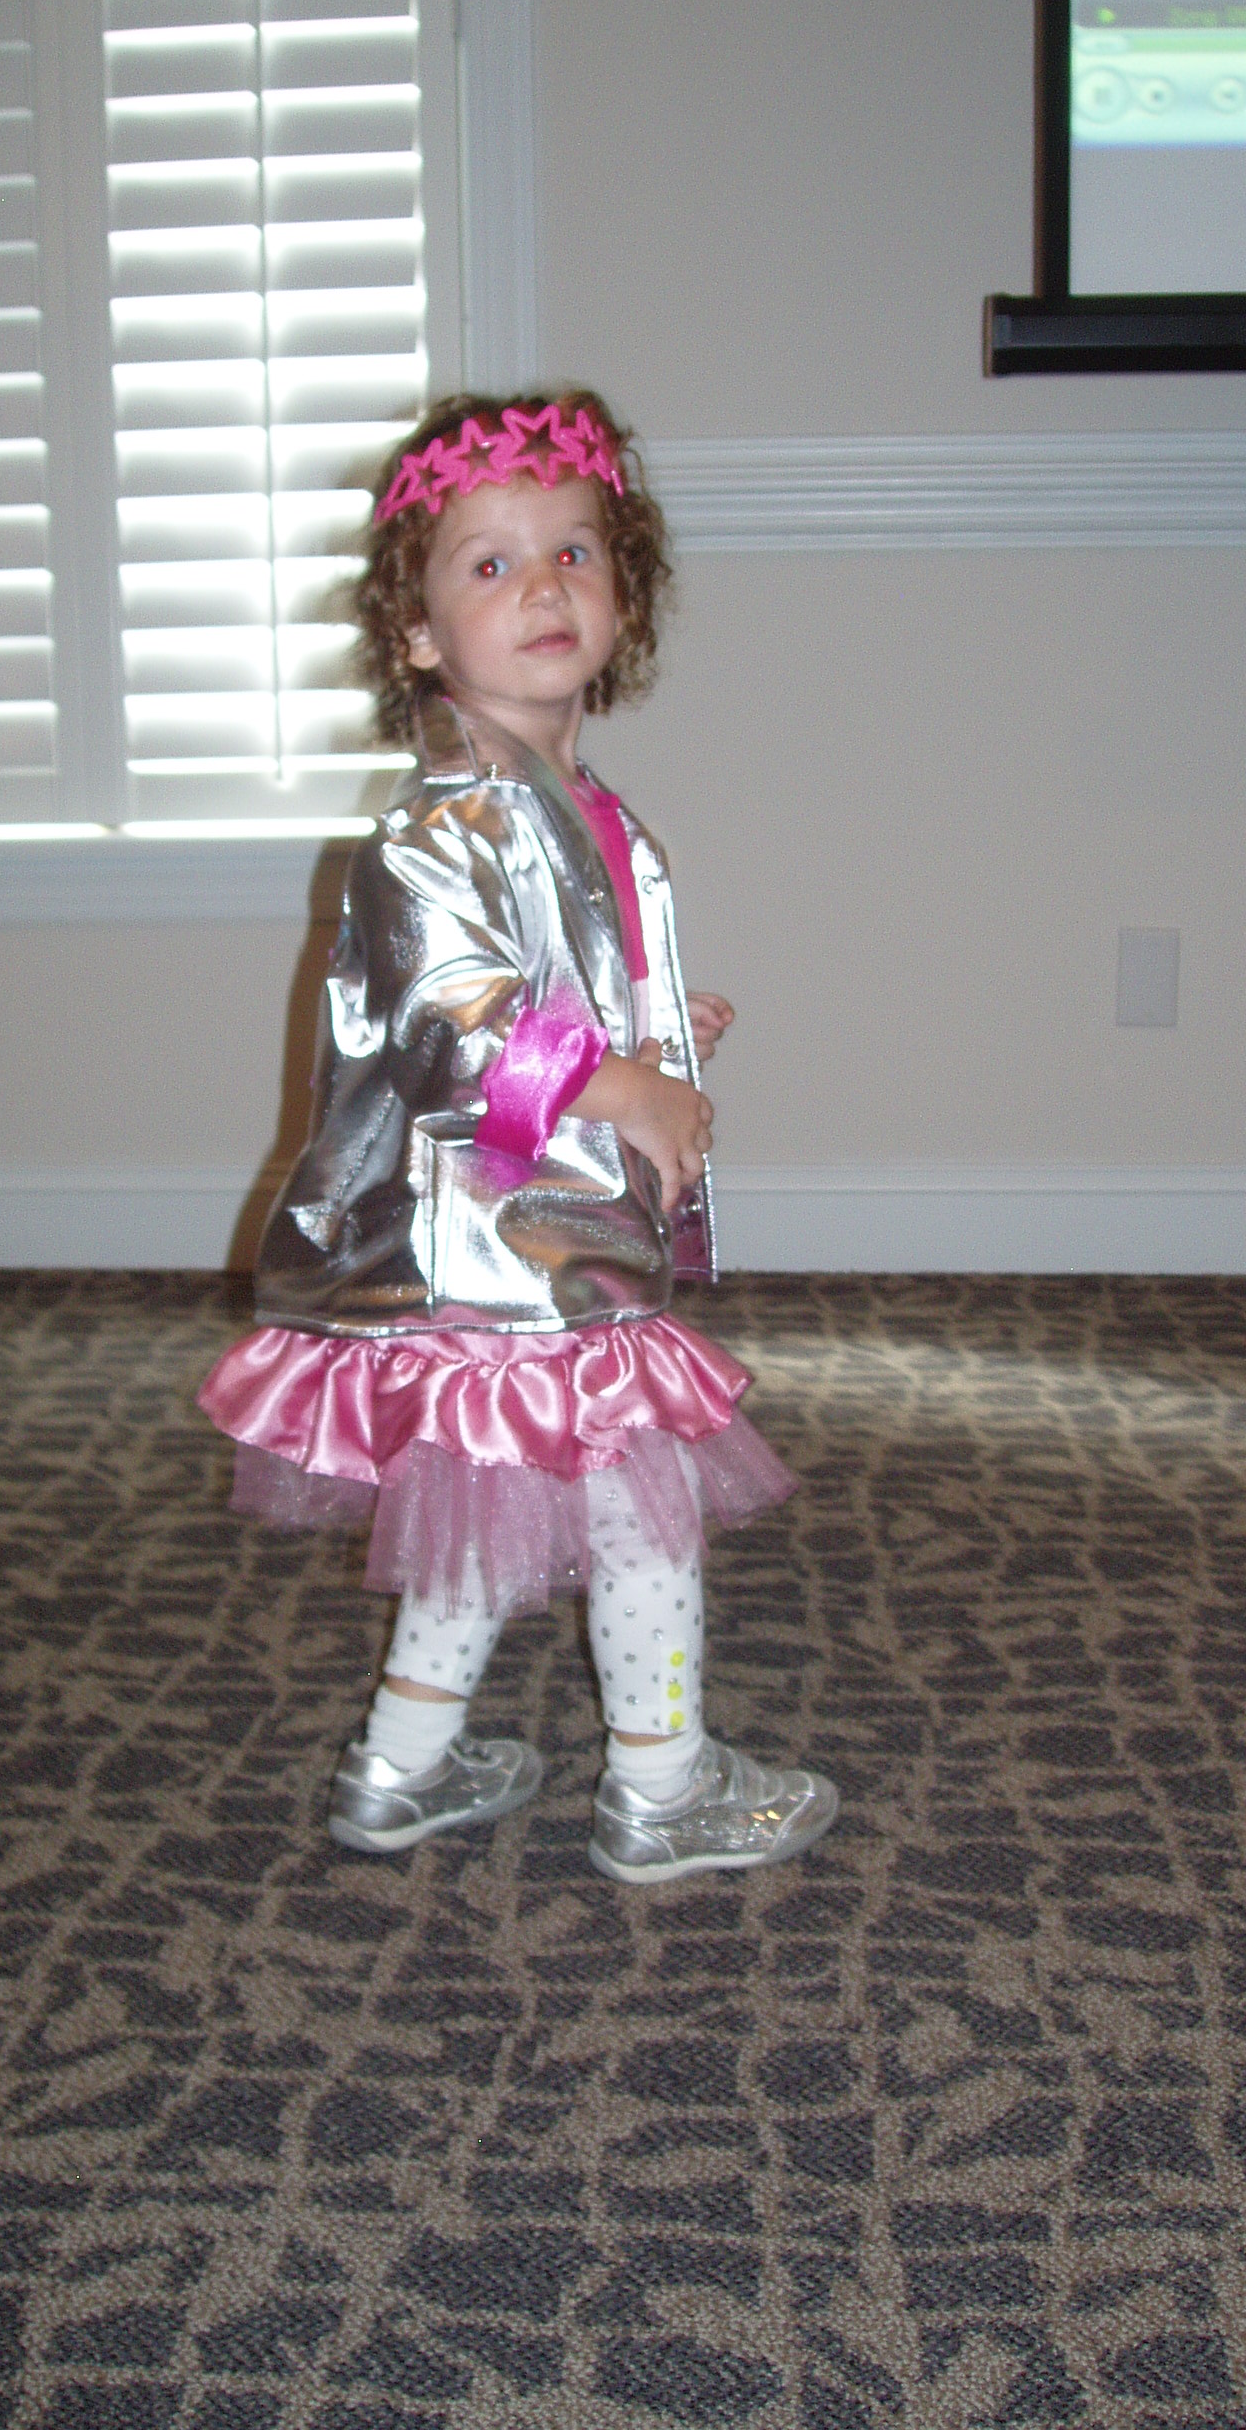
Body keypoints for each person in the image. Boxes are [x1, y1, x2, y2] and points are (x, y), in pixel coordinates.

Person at [199, 390, 836, 1884]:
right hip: (513, 1249)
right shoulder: (445, 823)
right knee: (640, 1518)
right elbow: (458, 1024)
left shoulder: (577, 804)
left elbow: (562, 985)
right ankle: (662, 1786)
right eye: (489, 564)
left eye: (574, 552)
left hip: (539, 1236)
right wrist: (625, 1090)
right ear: (418, 634)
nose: (542, 585)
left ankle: (398, 1771)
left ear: (625, 594)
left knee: (476, 1515)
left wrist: (657, 1034)